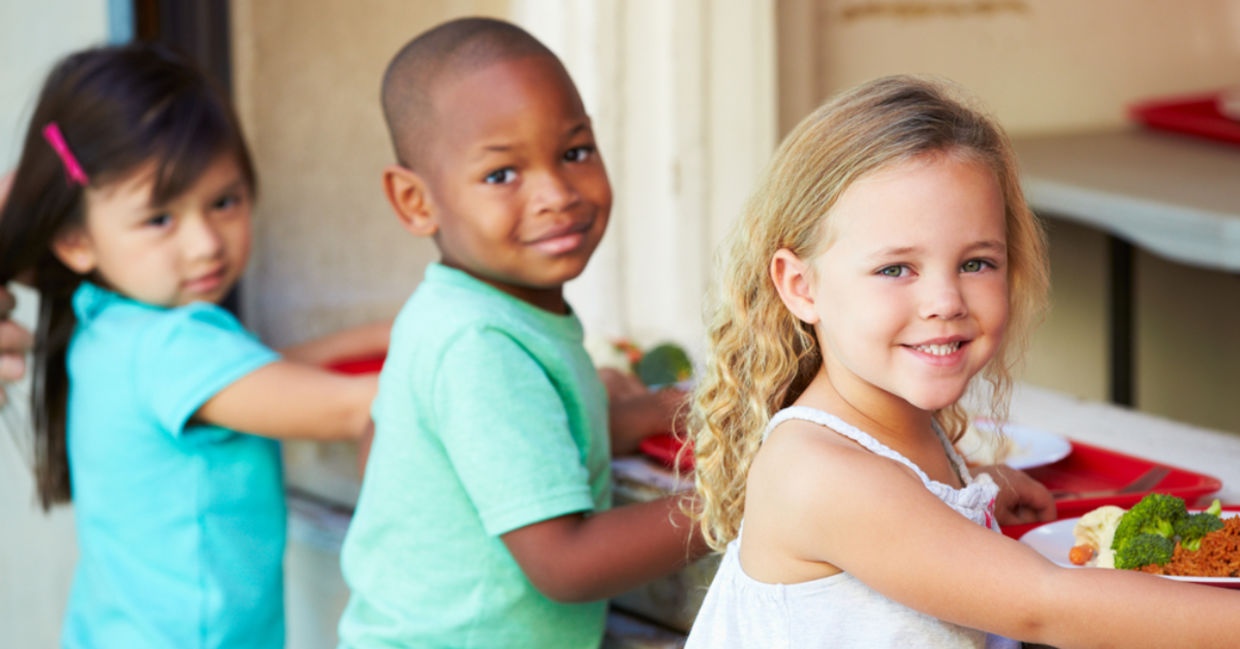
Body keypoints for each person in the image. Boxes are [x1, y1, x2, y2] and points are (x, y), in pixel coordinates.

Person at [684, 75, 1240, 648]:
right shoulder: (818, 474)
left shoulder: (896, 432)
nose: (946, 302)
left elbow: (904, 519)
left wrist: (974, 490)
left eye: (976, 263)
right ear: (801, 287)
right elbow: (1044, 605)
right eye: (896, 269)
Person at [0, 43, 388, 649]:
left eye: (224, 202)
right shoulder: (172, 344)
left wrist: (384, 334)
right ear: (76, 240)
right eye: (160, 219)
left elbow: (262, 375)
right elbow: (351, 408)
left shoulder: (106, 323)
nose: (207, 242)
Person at [336, 17, 707, 648]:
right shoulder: (479, 345)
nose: (557, 193)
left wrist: (653, 411)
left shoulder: (469, 312)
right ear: (415, 202)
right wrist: (745, 495)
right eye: (502, 174)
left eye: (574, 152)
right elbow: (567, 564)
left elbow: (536, 436)